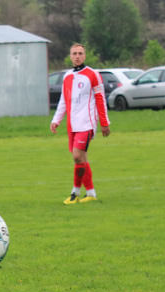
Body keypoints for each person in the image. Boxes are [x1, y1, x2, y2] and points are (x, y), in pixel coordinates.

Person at [50, 43, 110, 204]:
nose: (77, 56)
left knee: (77, 156)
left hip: (87, 124)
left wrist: (104, 123)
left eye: (80, 53)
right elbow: (64, 100)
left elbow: (100, 99)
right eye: (74, 53)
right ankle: (91, 193)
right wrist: (56, 120)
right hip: (72, 125)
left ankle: (75, 193)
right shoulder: (67, 76)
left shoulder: (93, 75)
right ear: (70, 56)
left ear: (85, 56)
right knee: (81, 158)